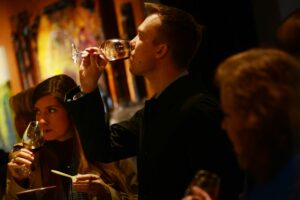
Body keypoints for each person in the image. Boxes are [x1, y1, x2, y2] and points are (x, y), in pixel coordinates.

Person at [66, 2, 244, 200]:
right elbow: (103, 148)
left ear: (160, 51)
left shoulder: (198, 110)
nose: (131, 42)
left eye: (140, 36)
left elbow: (223, 185)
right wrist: (88, 88)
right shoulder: (157, 107)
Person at [5, 74, 137, 199]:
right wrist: (19, 181)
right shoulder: (31, 158)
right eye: (38, 112)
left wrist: (106, 193)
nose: (41, 120)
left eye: (51, 110)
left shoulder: (103, 145)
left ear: (70, 111)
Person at [214, 48, 300, 199]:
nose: (223, 125)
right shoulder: (268, 173)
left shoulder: (291, 184)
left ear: (256, 117)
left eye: (228, 115)